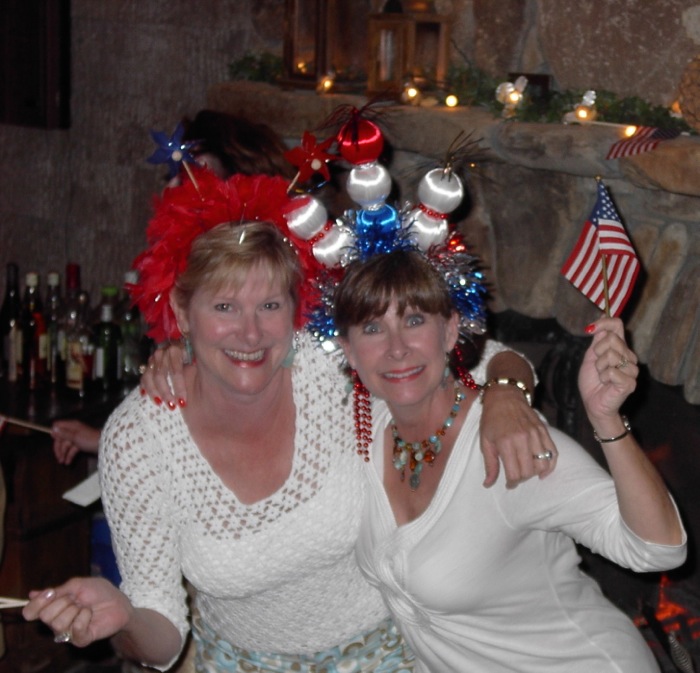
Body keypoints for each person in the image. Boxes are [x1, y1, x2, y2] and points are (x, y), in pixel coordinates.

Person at [23, 166, 557, 672]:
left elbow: (491, 357)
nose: (251, 335)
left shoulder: (329, 364)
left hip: (392, 651)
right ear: (184, 314)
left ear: (294, 308)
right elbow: (161, 636)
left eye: (270, 306)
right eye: (225, 308)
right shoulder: (137, 438)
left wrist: (506, 398)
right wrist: (122, 619)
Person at [331, 249, 686, 673]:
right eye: (372, 328)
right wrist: (506, 381)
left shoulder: (508, 442)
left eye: (413, 320)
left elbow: (658, 551)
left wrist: (605, 418)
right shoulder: (364, 425)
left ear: (449, 332)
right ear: (349, 352)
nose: (396, 348)